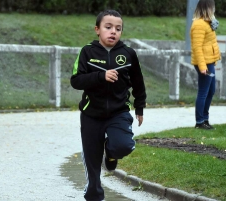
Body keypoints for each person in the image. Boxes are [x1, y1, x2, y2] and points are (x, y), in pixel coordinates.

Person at [70, 10, 147, 201]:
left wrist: (139, 107)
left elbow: (138, 83)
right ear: (97, 30)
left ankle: (111, 155)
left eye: (118, 29)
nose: (113, 32)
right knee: (92, 158)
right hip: (91, 114)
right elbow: (76, 81)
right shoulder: (87, 52)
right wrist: (100, 76)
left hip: (118, 113)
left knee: (124, 146)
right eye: (108, 27)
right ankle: (94, 195)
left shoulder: (128, 54)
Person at [190, 0, 221, 130]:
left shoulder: (207, 23)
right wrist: (203, 67)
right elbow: (197, 47)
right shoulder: (198, 25)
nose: (214, 9)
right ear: (208, 8)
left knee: (211, 90)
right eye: (212, 7)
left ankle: (205, 119)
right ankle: (200, 121)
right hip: (205, 64)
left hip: (210, 61)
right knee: (204, 91)